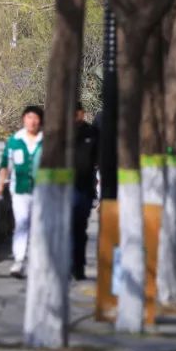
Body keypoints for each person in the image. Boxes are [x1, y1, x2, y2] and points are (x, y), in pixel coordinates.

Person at [0, 105, 44, 278]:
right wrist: (0, 185)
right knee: (21, 223)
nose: (32, 121)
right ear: (24, 119)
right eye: (29, 117)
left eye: (36, 118)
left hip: (41, 191)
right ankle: (19, 259)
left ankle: (37, 261)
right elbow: (5, 165)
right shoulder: (14, 141)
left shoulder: (45, 141)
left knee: (38, 226)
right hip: (20, 189)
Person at [71, 102, 99, 280]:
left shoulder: (92, 133)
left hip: (84, 188)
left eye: (78, 112)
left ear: (83, 113)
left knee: (80, 228)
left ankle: (78, 266)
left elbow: (100, 158)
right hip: (63, 188)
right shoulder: (60, 133)